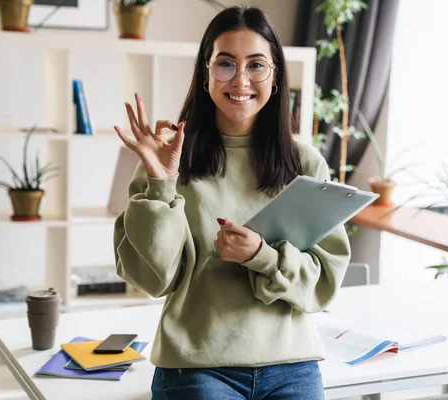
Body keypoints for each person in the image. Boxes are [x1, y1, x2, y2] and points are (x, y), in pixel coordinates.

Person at [113, 5, 351, 399]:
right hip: (197, 365)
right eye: (225, 64)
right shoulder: (168, 158)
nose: (240, 79)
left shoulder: (305, 164)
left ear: (274, 77)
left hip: (292, 364)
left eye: (256, 65)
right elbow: (153, 279)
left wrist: (261, 255)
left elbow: (324, 281)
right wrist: (160, 182)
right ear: (205, 74)